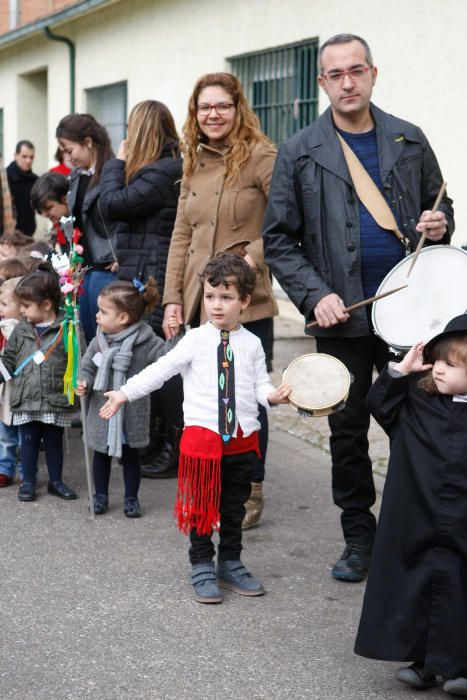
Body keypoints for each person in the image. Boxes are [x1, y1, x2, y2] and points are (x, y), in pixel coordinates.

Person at [262, 33, 454, 582]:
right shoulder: (300, 150)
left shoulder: (409, 139)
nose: (347, 82)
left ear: (373, 73)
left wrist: (441, 226)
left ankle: (413, 533)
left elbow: (441, 213)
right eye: (335, 74)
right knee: (346, 429)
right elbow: (278, 239)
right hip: (341, 316)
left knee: (416, 425)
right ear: (322, 82)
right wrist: (314, 294)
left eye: (356, 71)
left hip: (411, 316)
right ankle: (359, 538)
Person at [100, 253, 291, 603]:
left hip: (242, 442)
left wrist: (272, 397)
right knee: (202, 507)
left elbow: (259, 385)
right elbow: (161, 371)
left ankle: (230, 562)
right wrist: (124, 393)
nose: (216, 306)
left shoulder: (252, 344)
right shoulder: (194, 340)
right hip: (201, 443)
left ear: (245, 301)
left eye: (227, 298)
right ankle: (201, 563)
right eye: (210, 297)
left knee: (234, 508)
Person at [163, 72, 278, 528]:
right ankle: (210, 479)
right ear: (195, 112)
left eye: (222, 106)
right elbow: (181, 233)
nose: (213, 114)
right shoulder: (193, 161)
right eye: (204, 107)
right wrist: (173, 297)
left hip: (246, 298)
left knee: (246, 396)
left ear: (237, 108)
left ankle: (250, 486)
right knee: (197, 393)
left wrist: (250, 259)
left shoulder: (261, 156)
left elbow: (286, 218)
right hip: (198, 297)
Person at [354, 315, 467, 696]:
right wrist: (399, 371)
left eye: (451, 365)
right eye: (437, 360)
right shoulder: (419, 401)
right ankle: (421, 662)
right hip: (417, 515)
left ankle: (459, 666)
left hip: (462, 521)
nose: (438, 369)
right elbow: (378, 403)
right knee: (415, 586)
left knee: (457, 590)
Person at [99, 100, 184, 480]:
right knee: (147, 361)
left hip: (153, 278)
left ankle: (170, 448)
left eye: (132, 130)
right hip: (143, 271)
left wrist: (116, 162)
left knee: (158, 364)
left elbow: (112, 203)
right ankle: (151, 441)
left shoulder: (162, 171)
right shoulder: (159, 170)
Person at [76, 278, 177, 518]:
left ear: (122, 318)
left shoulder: (147, 341)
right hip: (103, 409)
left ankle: (131, 498)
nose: (97, 316)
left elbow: (167, 360)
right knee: (100, 454)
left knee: (131, 457)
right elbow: (87, 366)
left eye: (103, 311)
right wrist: (84, 382)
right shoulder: (99, 340)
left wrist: (173, 337)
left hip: (131, 410)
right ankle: (100, 495)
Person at [0, 263, 82, 502]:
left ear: (46, 305)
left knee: (54, 442)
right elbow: (10, 360)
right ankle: (28, 482)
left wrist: (81, 379)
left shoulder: (68, 327)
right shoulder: (22, 329)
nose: (22, 311)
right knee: (28, 442)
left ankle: (56, 481)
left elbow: (78, 357)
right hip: (26, 398)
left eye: (26, 306)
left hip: (55, 396)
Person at [56, 114, 118, 342]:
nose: (69, 157)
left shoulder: (112, 172)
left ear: (88, 142)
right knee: (89, 336)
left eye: (70, 150)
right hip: (85, 269)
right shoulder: (75, 178)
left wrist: (120, 252)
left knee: (106, 337)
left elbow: (123, 215)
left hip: (107, 266)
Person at [0, 277, 23, 486]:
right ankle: (5, 468)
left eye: (5, 304)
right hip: (5, 389)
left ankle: (27, 471)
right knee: (5, 432)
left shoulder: (26, 330)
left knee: (26, 436)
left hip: (23, 388)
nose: (1, 309)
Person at [31, 172, 71, 253]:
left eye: (48, 208)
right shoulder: (61, 225)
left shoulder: (83, 222)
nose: (44, 215)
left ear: (65, 199)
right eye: (40, 211)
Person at [6, 140, 38, 236]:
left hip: (28, 233)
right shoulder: (4, 178)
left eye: (31, 157)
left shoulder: (34, 180)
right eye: (24, 156)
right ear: (16, 155)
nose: (28, 161)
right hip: (7, 233)